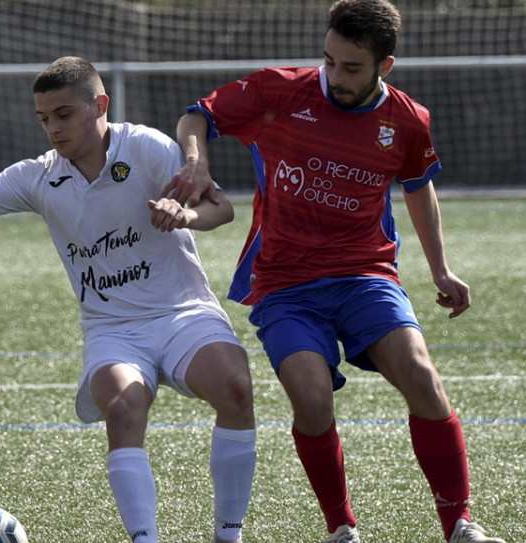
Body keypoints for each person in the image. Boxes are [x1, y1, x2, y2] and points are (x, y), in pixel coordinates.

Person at [164, 1, 506, 543]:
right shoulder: (279, 91)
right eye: (329, 61)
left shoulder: (407, 120)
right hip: (285, 284)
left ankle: (460, 524)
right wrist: (196, 159)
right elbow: (197, 115)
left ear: (383, 67)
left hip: (365, 275)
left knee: (421, 378)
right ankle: (341, 527)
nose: (335, 76)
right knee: (312, 399)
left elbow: (418, 187)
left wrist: (441, 268)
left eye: (351, 67)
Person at [0, 58, 257, 543]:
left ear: (100, 105)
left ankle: (229, 536)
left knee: (236, 389)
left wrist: (185, 216)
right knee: (121, 409)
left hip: (182, 312)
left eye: (64, 114)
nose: (53, 128)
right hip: (114, 331)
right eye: (44, 119)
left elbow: (219, 209)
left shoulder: (146, 147)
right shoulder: (39, 176)